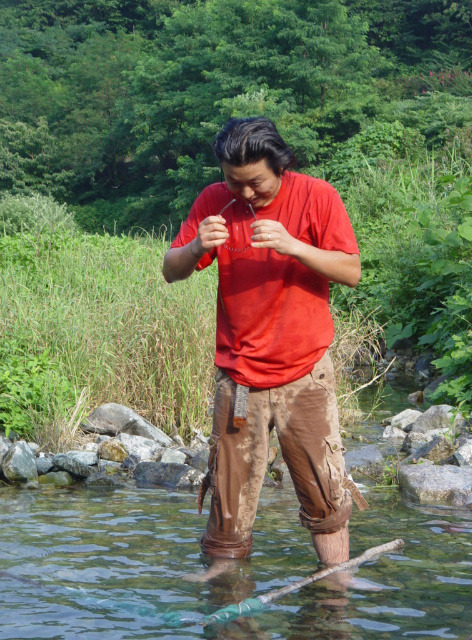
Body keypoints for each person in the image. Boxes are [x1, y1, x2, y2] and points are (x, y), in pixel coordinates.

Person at [163, 117, 362, 577]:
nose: (245, 194)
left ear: (281, 165)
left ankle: (338, 584)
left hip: (304, 372)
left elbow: (351, 271)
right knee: (228, 496)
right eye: (234, 182)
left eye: (256, 183)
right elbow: (171, 270)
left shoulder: (317, 196)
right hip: (238, 378)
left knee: (322, 487)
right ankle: (223, 590)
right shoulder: (215, 201)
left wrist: (294, 246)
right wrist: (195, 247)